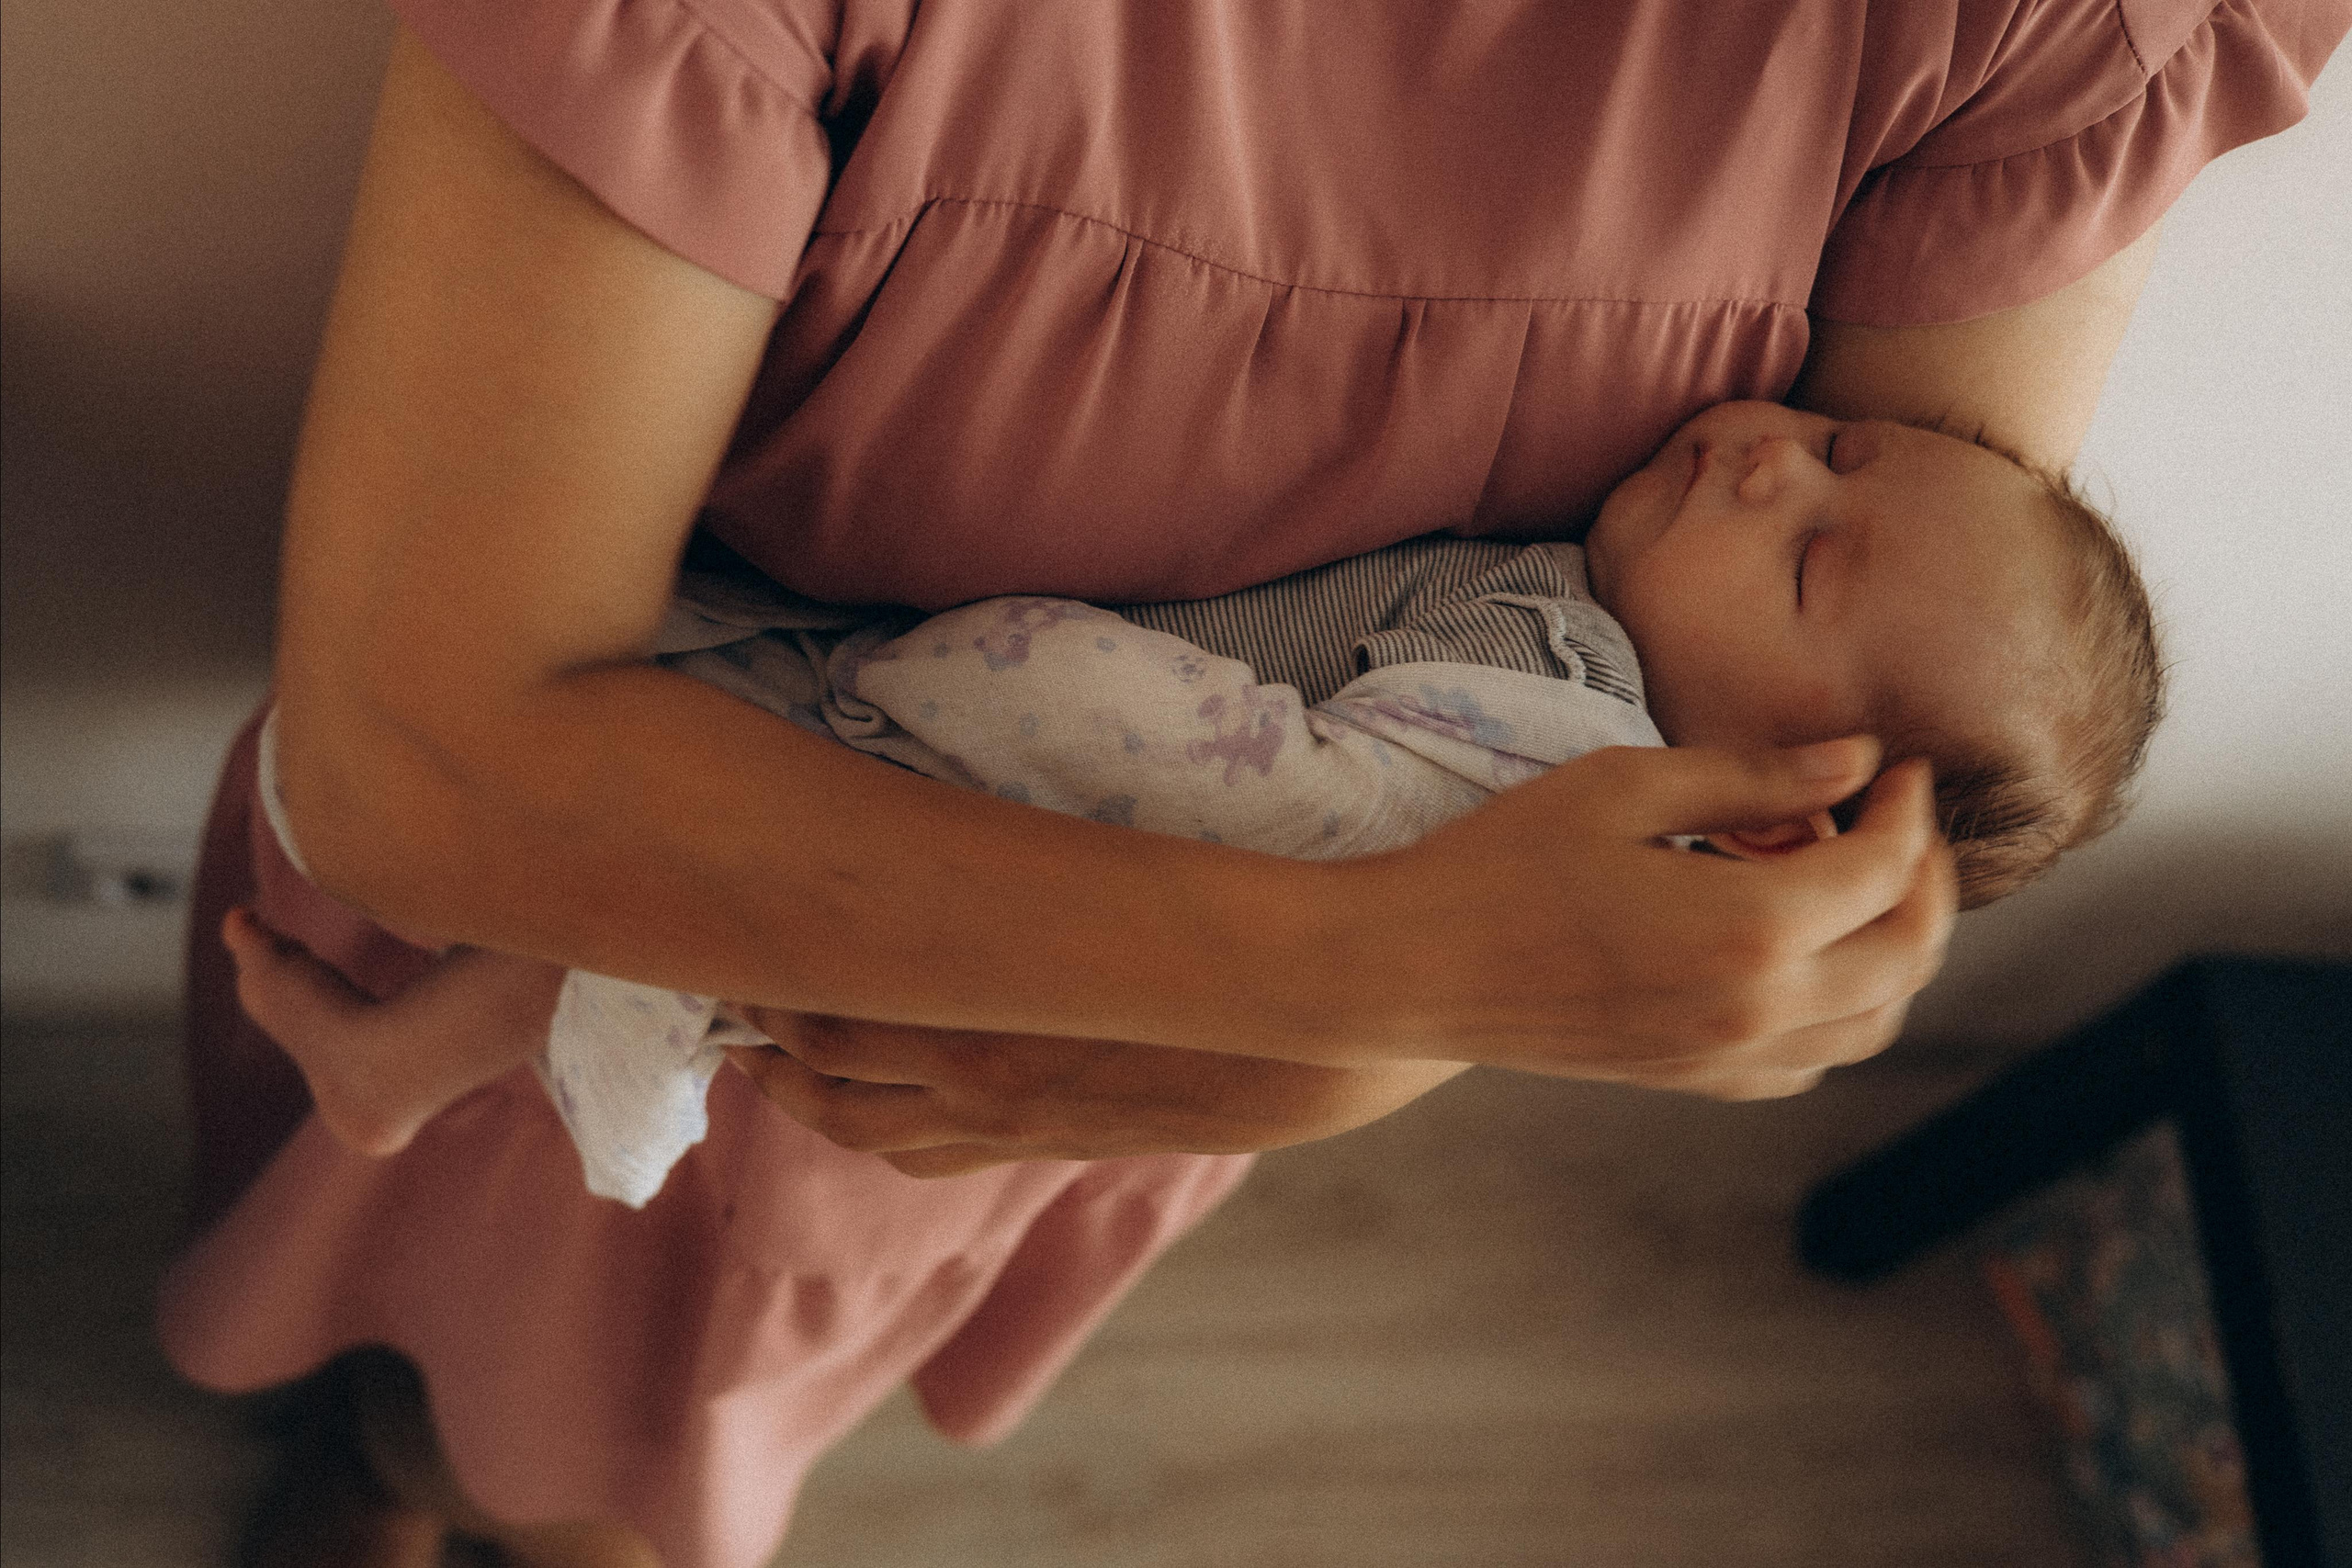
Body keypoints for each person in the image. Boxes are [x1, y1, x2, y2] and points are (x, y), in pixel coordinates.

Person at [158, 3, 2347, 1564]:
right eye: (1826, 456)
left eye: (1817, 513)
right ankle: (400, 1440)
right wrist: (1364, 977)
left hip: (1005, 1036)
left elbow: (1879, 794)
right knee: (444, 1234)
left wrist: (1343, 1031)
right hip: (708, 814)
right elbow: (434, 758)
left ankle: (533, 1493)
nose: (1776, 453)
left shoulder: (2025, 53)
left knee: (685, 1368)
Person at [221, 399, 2161, 1212]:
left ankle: (411, 1066)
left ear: (1771, 813)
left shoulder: (1558, 745)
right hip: (975, 818)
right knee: (619, 881)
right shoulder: (1582, 639)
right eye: (1830, 444)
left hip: (973, 816)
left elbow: (1279, 799)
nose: (1758, 462)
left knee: (653, 902)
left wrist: (995, 665)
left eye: (1808, 558)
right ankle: (404, 1065)